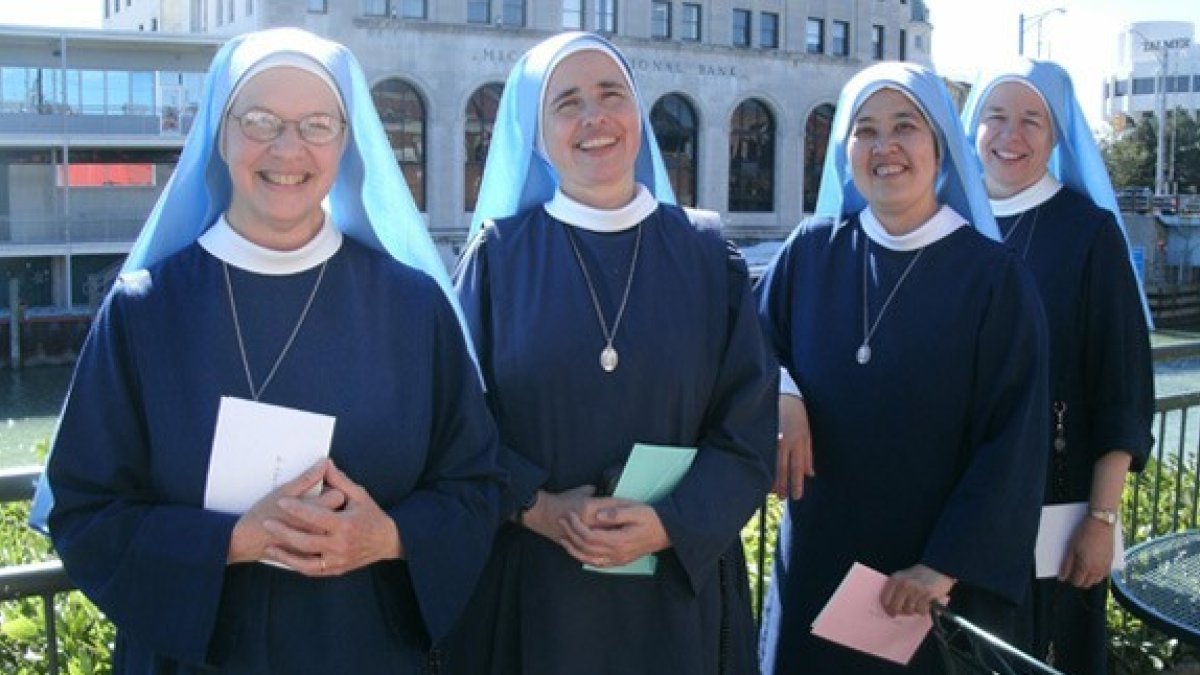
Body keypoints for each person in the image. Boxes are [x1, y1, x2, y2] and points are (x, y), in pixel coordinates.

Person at [38, 28, 503, 674]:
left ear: (346, 143)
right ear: (220, 135)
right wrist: (230, 540)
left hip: (366, 651)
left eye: (317, 124)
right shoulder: (145, 310)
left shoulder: (412, 306)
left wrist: (390, 535)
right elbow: (84, 511)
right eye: (260, 120)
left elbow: (477, 483)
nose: (289, 148)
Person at [445, 32, 777, 675]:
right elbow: (457, 423)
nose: (594, 118)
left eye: (610, 95)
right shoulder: (500, 259)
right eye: (567, 103)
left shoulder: (710, 258)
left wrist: (668, 522)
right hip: (536, 588)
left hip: (676, 594)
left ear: (638, 115)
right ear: (537, 134)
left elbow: (747, 434)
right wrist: (537, 507)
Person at [756, 62, 1050, 674]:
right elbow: (747, 349)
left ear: (939, 145)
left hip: (922, 582)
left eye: (904, 127)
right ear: (846, 151)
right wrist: (782, 390)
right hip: (817, 564)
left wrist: (944, 565)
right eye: (865, 130)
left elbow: (1015, 439)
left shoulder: (994, 279)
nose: (884, 147)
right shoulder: (810, 253)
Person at [962, 58, 1155, 674]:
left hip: (1055, 506)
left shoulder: (1088, 234)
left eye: (1031, 121)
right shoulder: (946, 222)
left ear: (1056, 136)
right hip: (951, 508)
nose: (1010, 136)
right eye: (995, 117)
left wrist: (1102, 518)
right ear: (971, 128)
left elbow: (1122, 390)